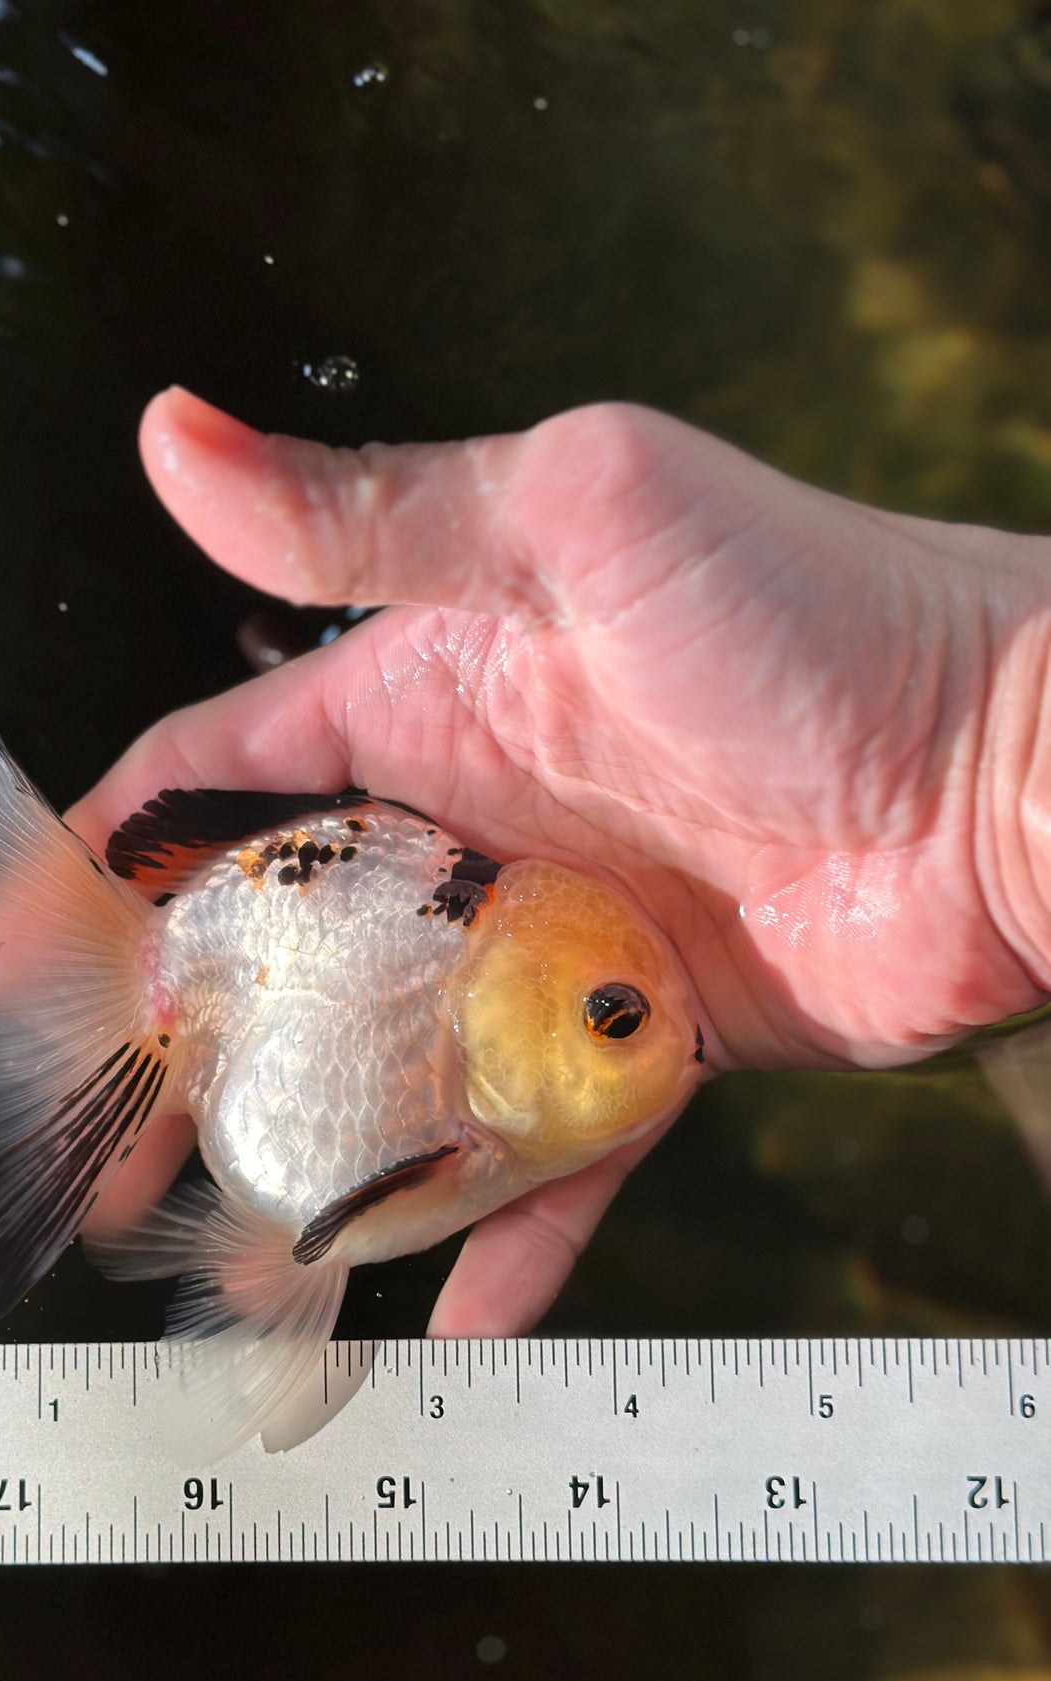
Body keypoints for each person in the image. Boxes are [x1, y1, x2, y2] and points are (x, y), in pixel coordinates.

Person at [68, 388, 1051, 1339]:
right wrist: (990, 746)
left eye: (613, 1013)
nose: (676, 1033)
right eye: (608, 1014)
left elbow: (325, 1222)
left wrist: (987, 737)